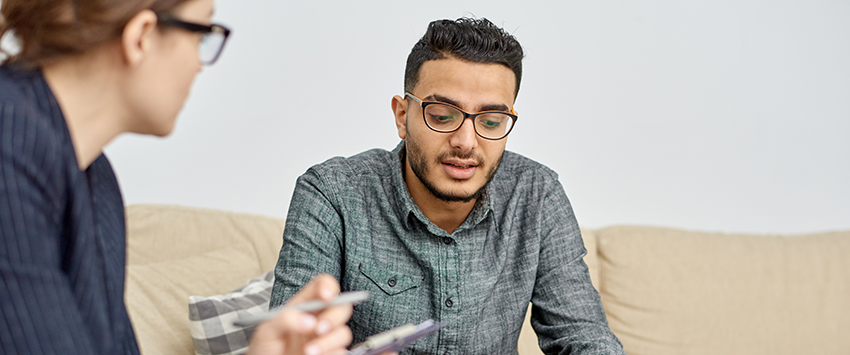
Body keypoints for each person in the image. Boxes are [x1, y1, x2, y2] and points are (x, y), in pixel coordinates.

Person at [0, 0, 352, 354]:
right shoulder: (9, 149)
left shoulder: (97, 180)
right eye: (202, 34)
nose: (200, 64)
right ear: (142, 36)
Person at [269, 17, 627, 354]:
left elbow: (584, 336)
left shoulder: (537, 194)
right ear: (402, 115)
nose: (466, 142)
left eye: (490, 121)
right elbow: (292, 342)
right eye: (442, 116)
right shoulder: (331, 193)